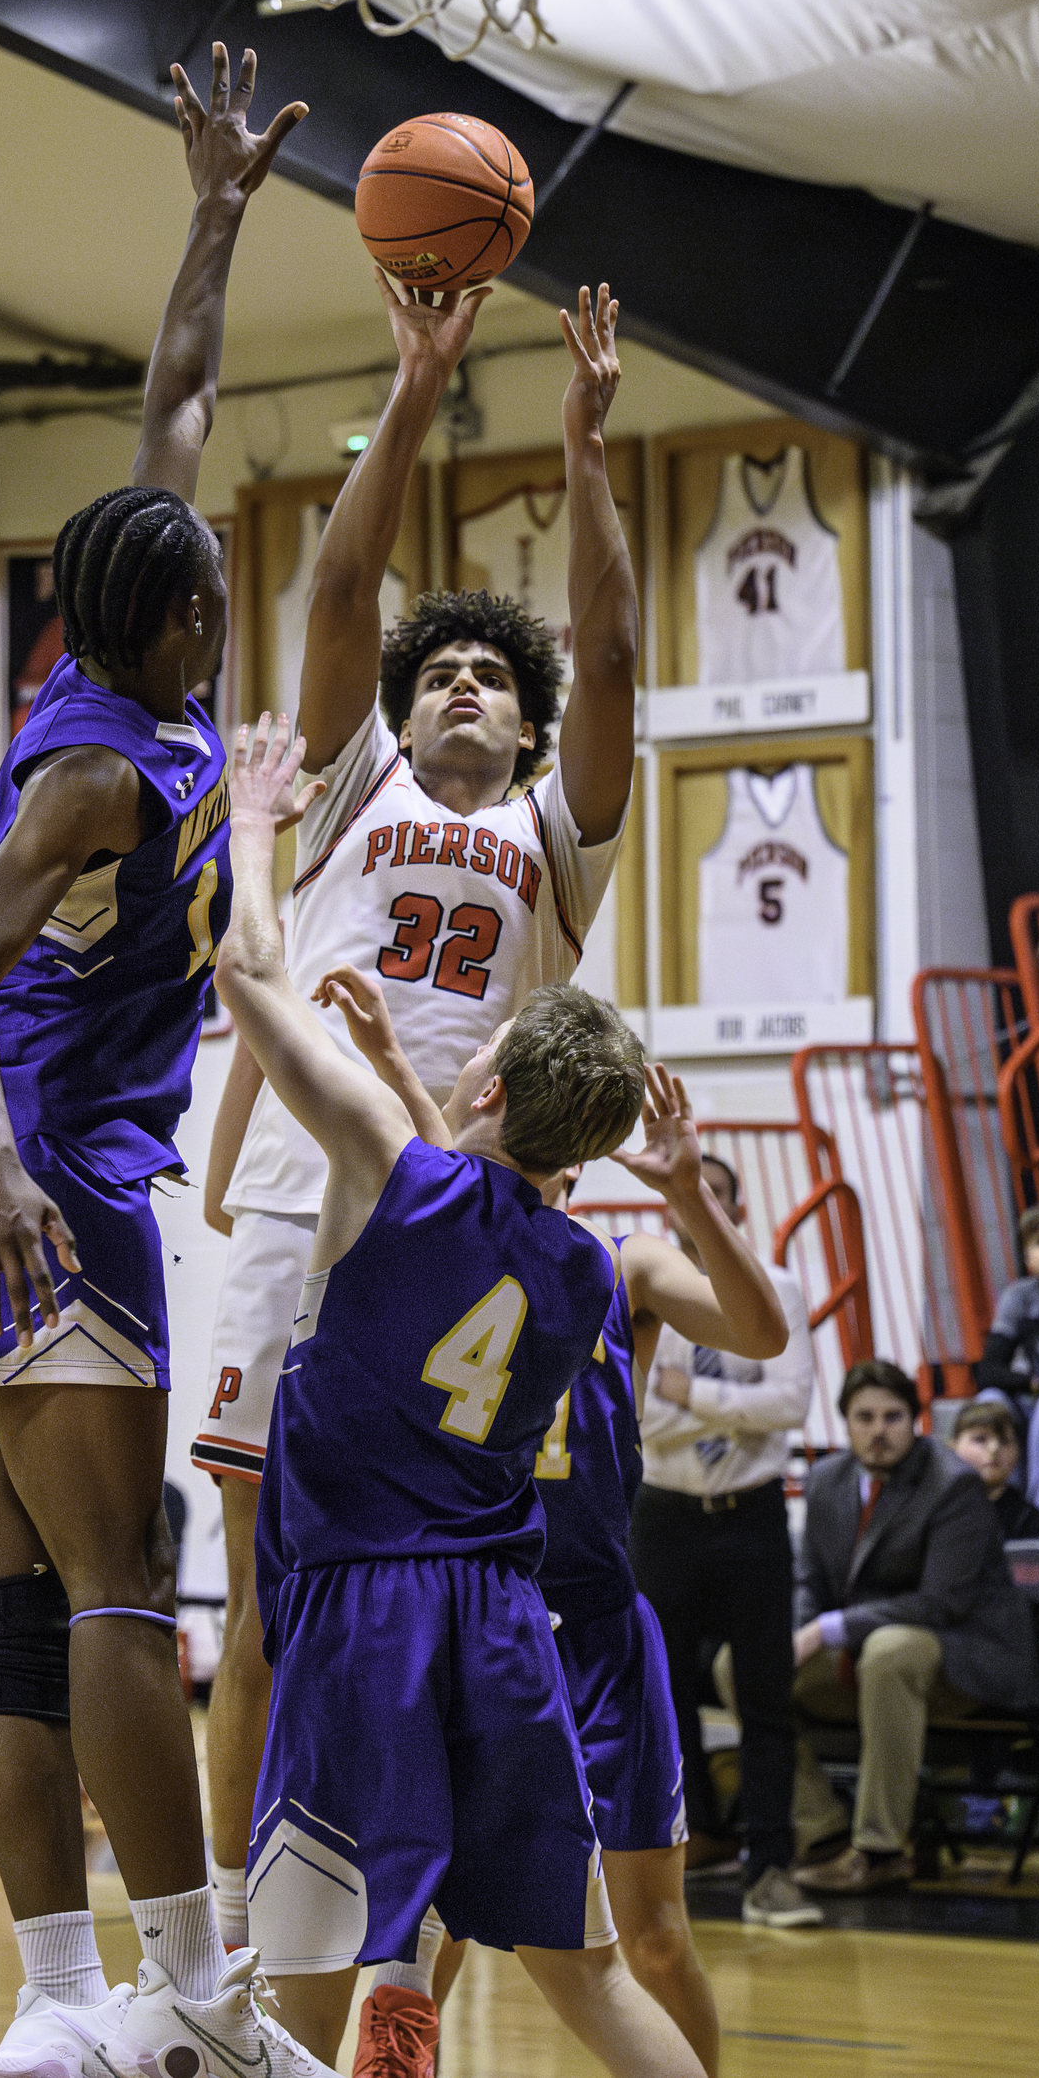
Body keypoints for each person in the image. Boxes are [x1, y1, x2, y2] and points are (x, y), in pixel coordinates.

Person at [0, 46, 319, 2078]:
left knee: (18, 1618)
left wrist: (214, 222)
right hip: (27, 1178)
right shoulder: (98, 772)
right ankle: (207, 1996)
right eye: (215, 574)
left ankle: (63, 2006)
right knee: (126, 1587)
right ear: (194, 616)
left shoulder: (111, 648)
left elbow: (178, 415)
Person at [195, 275, 640, 1954]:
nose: (461, 683)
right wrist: (411, 384)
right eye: (437, 672)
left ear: (526, 728)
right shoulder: (350, 787)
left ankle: (403, 1956)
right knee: (263, 1602)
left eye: (487, 678)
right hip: (309, 1204)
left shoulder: (557, 842)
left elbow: (605, 643)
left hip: (467, 1229)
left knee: (450, 1604)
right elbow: (338, 586)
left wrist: (586, 447)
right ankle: (235, 1948)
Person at [180, 712, 726, 2078]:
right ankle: (410, 1987)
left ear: (484, 1071)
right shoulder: (588, 1271)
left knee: (301, 1988)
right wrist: (434, 1086)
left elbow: (249, 975)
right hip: (502, 1617)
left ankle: (378, 1996)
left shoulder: (380, 1161)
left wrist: (256, 828)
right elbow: (485, 1197)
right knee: (590, 1976)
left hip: (365, 1608)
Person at [317, 963, 790, 2075]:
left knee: (654, 1939)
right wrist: (390, 1055)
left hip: (598, 1640)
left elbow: (760, 1331)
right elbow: (453, 1158)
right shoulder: (467, 1231)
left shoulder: (617, 1267)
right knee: (435, 1935)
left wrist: (687, 1192)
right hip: (492, 1622)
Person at [626, 1155, 818, 1926]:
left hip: (753, 1514)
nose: (697, 1205)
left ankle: (772, 1868)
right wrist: (735, 1403)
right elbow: (639, 1414)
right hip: (664, 1512)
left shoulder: (781, 1288)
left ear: (733, 1206)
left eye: (715, 1192)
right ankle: (694, 1836)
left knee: (766, 1700)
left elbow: (793, 1402)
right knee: (659, 1693)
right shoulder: (649, 1288)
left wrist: (694, 1394)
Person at [790, 1360, 1039, 1894]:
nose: (878, 1430)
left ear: (916, 1420)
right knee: (740, 1666)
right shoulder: (825, 1480)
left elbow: (939, 1604)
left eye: (893, 1416)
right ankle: (823, 1832)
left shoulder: (954, 1485)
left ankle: (880, 1849)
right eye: (865, 1417)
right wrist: (798, 1632)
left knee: (890, 1649)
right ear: (845, 1422)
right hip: (870, 1661)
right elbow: (809, 1582)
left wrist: (830, 1628)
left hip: (963, 1661)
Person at [975, 1202, 1039, 1539]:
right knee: (992, 1399)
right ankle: (1002, 1520)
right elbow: (989, 1370)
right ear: (1028, 1258)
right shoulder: (1019, 1296)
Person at [950, 1398, 1039, 1541]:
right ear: (952, 1447)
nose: (994, 1449)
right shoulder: (935, 1510)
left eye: (1004, 1441)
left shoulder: (1030, 1521)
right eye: (980, 1439)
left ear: (1018, 1453)